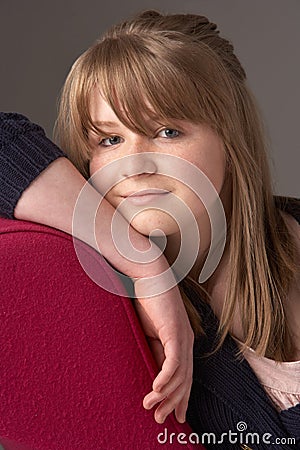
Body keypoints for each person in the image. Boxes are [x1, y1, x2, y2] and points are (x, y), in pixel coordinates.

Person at [0, 9, 299, 448]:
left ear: (230, 139)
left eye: (166, 131)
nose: (134, 165)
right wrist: (146, 266)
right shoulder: (118, 309)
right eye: (109, 140)